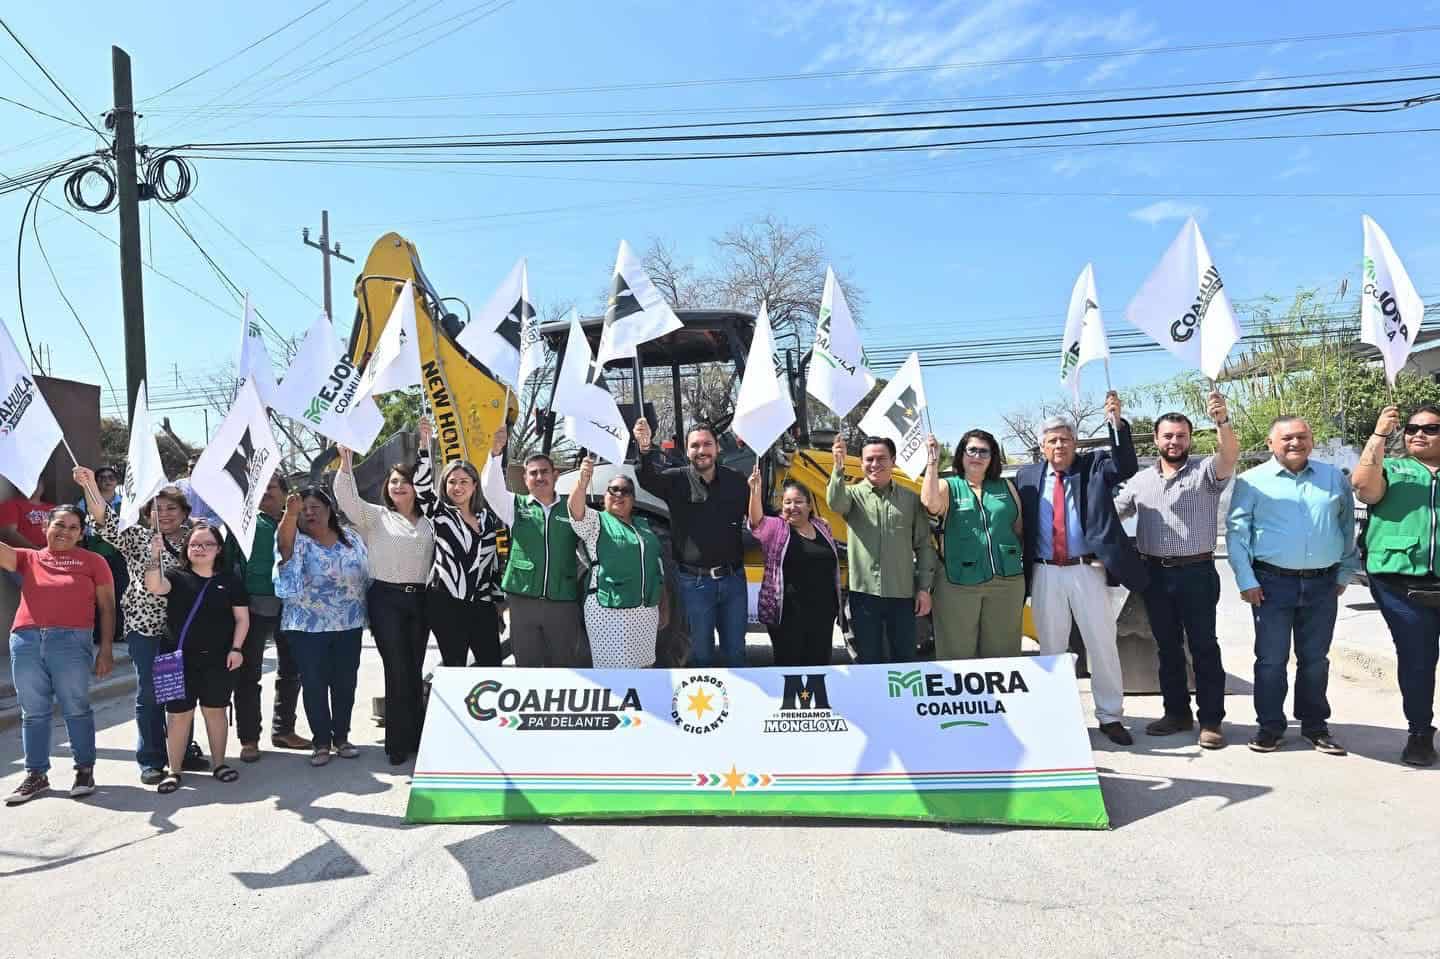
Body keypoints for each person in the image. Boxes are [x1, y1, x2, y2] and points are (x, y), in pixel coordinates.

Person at [1015, 392, 1146, 746]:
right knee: (1051, 648)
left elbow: (1126, 466)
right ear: (1042, 447)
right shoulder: (1026, 477)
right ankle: (1056, 714)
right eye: (1052, 440)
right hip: (1044, 572)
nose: (1059, 445)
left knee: (1101, 644)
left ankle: (1109, 715)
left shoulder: (1095, 466)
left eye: (1066, 439)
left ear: (1075, 443)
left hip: (1087, 570)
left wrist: (1116, 426)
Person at [1228, 416, 1360, 756]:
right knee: (1271, 660)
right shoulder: (1251, 482)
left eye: (1302, 436)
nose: (1295, 443)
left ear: (1311, 441)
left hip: (1322, 584)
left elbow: (1347, 527)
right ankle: (1270, 727)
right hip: (1271, 584)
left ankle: (1315, 726)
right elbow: (1237, 533)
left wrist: (1345, 572)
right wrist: (1246, 579)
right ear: (1271, 444)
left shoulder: (1333, 478)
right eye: (1286, 437)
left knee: (1315, 659)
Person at [1113, 392, 1239, 749]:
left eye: (1181, 435)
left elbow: (1230, 455)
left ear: (1189, 439)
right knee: (1166, 648)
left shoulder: (1206, 471)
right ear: (1156, 439)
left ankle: (1211, 720)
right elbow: (1111, 514)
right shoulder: (1139, 481)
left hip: (1196, 573)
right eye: (1167, 436)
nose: (1174, 441)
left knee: (1203, 647)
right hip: (1154, 575)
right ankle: (1176, 713)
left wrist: (1222, 421)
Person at [75, 466, 200, 784]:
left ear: (185, 512)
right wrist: (90, 487)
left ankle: (182, 750)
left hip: (183, 629)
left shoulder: (197, 539)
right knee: (150, 693)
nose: (165, 514)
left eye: (172, 507)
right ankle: (151, 759)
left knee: (179, 692)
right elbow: (104, 519)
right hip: (146, 628)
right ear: (146, 514)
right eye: (157, 509)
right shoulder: (136, 537)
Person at [3, 506, 115, 805]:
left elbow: (107, 607)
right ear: (45, 528)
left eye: (73, 527)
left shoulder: (94, 562)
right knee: (33, 711)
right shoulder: (29, 558)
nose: (65, 531)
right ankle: (36, 775)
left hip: (71, 641)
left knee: (76, 707)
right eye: (59, 525)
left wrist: (105, 649)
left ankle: (84, 770)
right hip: (26, 640)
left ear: (81, 533)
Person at [1351, 404, 1440, 766]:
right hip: (1400, 583)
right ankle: (1419, 732)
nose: (1418, 433)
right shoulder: (1391, 467)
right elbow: (1363, 487)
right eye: (1412, 427)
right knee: (1418, 661)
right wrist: (1380, 434)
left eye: (1430, 428)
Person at [333, 450, 432, 765]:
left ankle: (418, 736)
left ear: (418, 487)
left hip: (420, 599)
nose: (399, 487)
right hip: (385, 600)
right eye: (394, 482)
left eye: (406, 482)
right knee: (397, 668)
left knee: (414, 668)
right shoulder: (375, 517)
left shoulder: (430, 520)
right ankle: (397, 744)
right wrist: (345, 462)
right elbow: (346, 498)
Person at [634, 418, 751, 667]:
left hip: (733, 582)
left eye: (707, 444)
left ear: (717, 448)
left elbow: (757, 519)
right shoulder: (674, 480)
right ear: (687, 451)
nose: (701, 451)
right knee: (700, 656)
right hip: (694, 584)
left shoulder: (738, 482)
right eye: (695, 446)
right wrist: (644, 450)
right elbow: (646, 478)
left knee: (736, 654)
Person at [143, 521, 248, 794]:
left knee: (215, 712)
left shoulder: (230, 580)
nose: (200, 549)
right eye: (194, 544)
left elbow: (242, 619)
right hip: (176, 659)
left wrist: (236, 649)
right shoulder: (176, 576)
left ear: (218, 549)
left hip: (219, 659)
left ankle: (220, 764)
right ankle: (174, 771)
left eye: (207, 544)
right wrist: (154, 556)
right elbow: (154, 586)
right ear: (186, 548)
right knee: (178, 716)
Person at [274, 487, 370, 767]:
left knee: (345, 683)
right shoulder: (297, 539)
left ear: (330, 509)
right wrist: (289, 515)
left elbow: (367, 573)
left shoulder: (350, 538)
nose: (309, 512)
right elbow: (284, 546)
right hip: (307, 626)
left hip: (348, 623)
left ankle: (341, 737)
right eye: (304, 509)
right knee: (315, 684)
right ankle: (321, 742)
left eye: (315, 506)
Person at [223, 474, 310, 763]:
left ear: (286, 493)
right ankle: (249, 740)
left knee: (292, 670)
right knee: (248, 676)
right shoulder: (243, 524)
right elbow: (226, 565)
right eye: (259, 489)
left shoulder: (302, 521)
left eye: (271, 488)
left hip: (293, 606)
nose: (265, 494)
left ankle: (284, 730)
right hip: (252, 608)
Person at [827, 434, 936, 664]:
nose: (874, 464)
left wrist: (924, 588)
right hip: (864, 595)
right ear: (861, 462)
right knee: (868, 658)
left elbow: (924, 545)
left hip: (903, 595)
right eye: (868, 459)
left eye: (881, 458)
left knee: (904, 657)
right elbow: (835, 503)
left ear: (893, 461)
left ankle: (902, 701)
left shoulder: (910, 499)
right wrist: (838, 467)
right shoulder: (852, 495)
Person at [481, 425, 584, 667]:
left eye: (544, 472)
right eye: (533, 473)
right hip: (523, 601)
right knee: (527, 665)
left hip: (563, 601)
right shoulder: (514, 506)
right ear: (525, 479)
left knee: (564, 666)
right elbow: (489, 488)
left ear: (555, 475)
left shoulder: (572, 508)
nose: (539, 477)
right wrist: (495, 453)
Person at [921, 430, 1025, 660]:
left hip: (1006, 580)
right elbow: (930, 504)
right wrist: (932, 463)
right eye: (972, 450)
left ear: (992, 457)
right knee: (957, 652)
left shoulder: (1006, 487)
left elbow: (1018, 528)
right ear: (962, 454)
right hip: (957, 581)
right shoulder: (948, 485)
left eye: (984, 451)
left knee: (1004, 652)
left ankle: (1001, 697)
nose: (977, 456)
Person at [415, 419, 503, 668]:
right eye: (452, 482)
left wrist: (497, 599)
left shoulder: (488, 518)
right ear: (444, 486)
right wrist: (424, 445)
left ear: (475, 486)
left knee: (491, 665)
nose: (458, 486)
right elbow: (421, 488)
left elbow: (492, 562)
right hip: (446, 603)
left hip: (482, 605)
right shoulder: (439, 512)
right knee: (455, 666)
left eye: (464, 481)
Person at [568, 457, 666, 667]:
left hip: (645, 612)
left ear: (633, 499)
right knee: (613, 673)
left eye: (625, 491)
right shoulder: (596, 521)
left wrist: (663, 603)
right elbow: (576, 512)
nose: (619, 494)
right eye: (613, 490)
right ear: (604, 496)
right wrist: (583, 482)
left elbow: (656, 567)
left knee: (644, 668)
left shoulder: (644, 526)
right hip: (609, 611)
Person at [748, 465, 842, 667]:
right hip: (788, 617)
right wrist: (755, 492)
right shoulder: (776, 528)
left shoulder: (822, 526)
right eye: (787, 502)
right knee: (789, 667)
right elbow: (757, 523)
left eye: (798, 502)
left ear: (809, 506)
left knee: (819, 666)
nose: (792, 507)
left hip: (822, 615)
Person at [78, 465, 127, 644]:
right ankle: (98, 634)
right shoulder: (84, 502)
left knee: (121, 592)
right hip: (96, 554)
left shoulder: (126, 502)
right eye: (102, 478)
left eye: (111, 477)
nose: (107, 481)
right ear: (96, 482)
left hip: (121, 554)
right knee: (99, 596)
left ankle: (120, 631)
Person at [0, 482, 56, 549]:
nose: (35, 486)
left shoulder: (54, 508)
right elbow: (9, 534)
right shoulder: (10, 505)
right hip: (28, 554)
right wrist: (37, 551)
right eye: (30, 483)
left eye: (37, 483)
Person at [174, 456, 220, 525]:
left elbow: (220, 515)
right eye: (191, 466)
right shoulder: (178, 485)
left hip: (206, 530)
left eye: (198, 466)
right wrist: (190, 520)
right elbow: (171, 508)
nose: (194, 469)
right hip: (182, 529)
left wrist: (205, 522)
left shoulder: (214, 487)